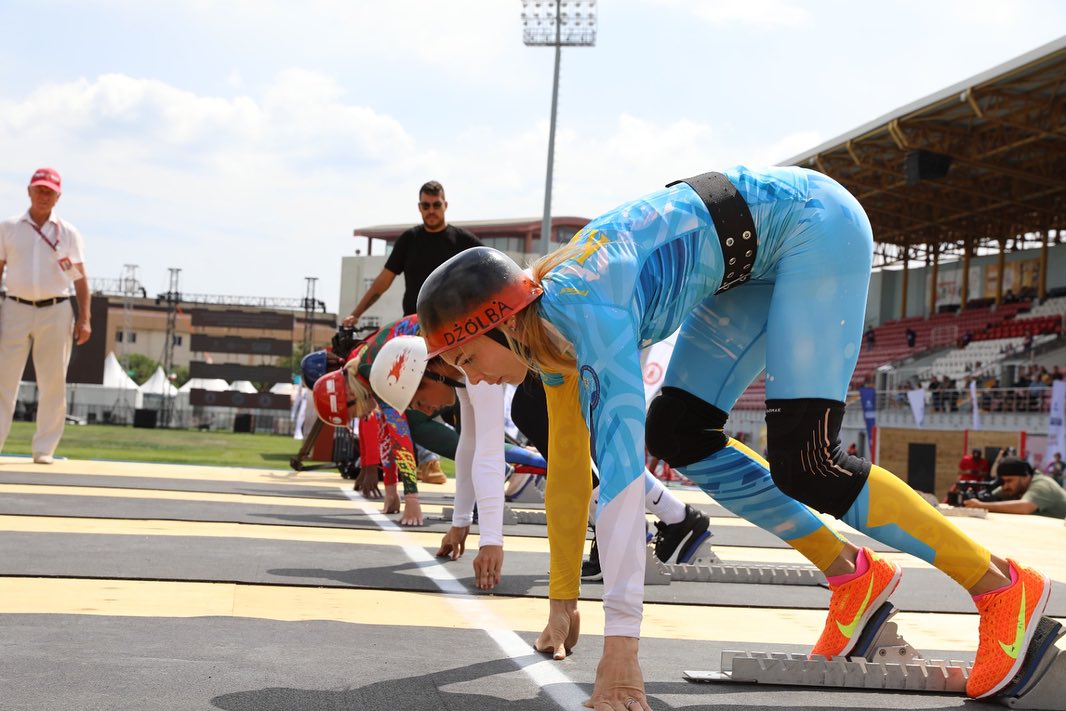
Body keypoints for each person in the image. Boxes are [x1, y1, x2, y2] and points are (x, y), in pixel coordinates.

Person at [416, 167, 1050, 707]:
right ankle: (853, 576)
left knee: (809, 462)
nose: (476, 380)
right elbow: (569, 471)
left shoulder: (589, 316)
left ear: (499, 323)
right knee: (680, 431)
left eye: (468, 360)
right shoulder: (544, 330)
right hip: (746, 261)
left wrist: (622, 651)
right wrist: (560, 598)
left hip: (812, 228)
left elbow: (620, 487)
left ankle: (1001, 587)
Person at [0, 167, 92, 464]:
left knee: (53, 382)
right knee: (3, 380)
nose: (43, 196)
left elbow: (79, 278)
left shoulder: (68, 233)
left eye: (49, 192)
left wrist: (85, 318)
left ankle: (44, 450)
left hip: (56, 310)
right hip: (14, 307)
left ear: (58, 197)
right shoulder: (9, 227)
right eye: (39, 189)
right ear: (28, 191)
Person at [343, 180, 481, 325]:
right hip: (415, 326)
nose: (431, 211)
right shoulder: (408, 240)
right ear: (419, 207)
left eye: (436, 205)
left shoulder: (463, 241)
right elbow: (382, 282)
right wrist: (355, 315)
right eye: (426, 206)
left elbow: (492, 270)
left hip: (455, 326)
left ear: (445, 205)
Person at [964, 456, 1066, 518]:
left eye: (1009, 481)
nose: (1005, 486)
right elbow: (991, 497)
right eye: (1003, 481)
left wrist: (982, 505)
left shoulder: (1042, 484)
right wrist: (975, 498)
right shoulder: (1016, 486)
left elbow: (1025, 507)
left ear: (1025, 477)